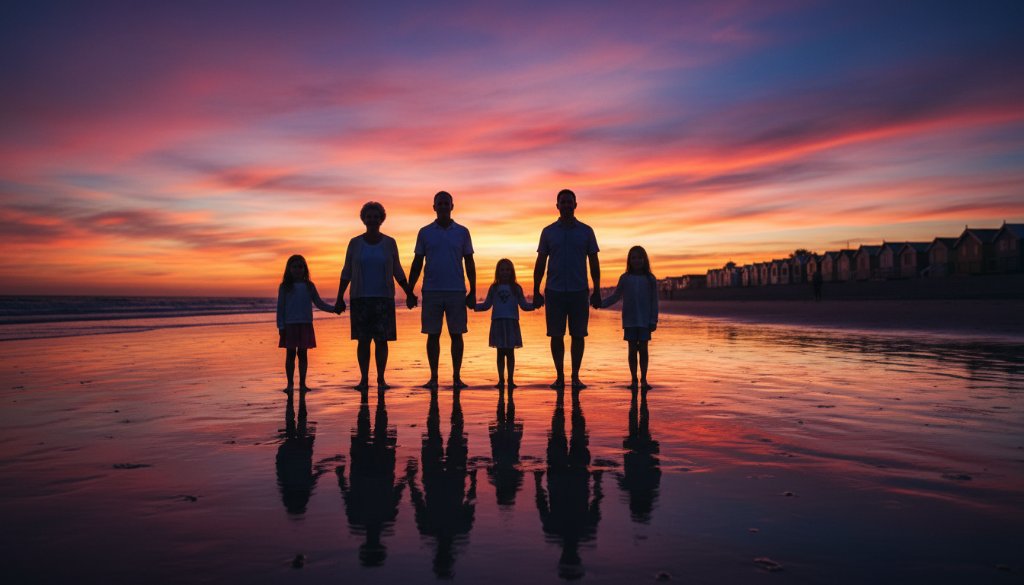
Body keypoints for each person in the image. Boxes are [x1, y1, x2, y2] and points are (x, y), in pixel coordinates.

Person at [336, 201, 415, 391]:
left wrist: (409, 292)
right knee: (363, 341)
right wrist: (339, 297)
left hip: (384, 298)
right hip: (360, 298)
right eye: (369, 217)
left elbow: (397, 270)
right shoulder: (355, 243)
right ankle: (364, 379)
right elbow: (346, 271)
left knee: (382, 341)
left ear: (381, 219)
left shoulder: (389, 243)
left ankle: (381, 379)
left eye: (375, 216)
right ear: (364, 219)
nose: (372, 220)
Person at [407, 191, 476, 390]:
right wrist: (410, 290)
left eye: (447, 203)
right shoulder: (425, 232)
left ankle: (456, 377)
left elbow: (469, 261)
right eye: (440, 203)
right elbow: (417, 262)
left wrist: (472, 290)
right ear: (434, 207)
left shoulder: (462, 232)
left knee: (457, 334)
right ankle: (434, 377)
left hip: (456, 291)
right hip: (431, 290)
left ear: (452, 206)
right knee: (432, 334)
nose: (444, 206)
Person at [533, 189, 600, 390]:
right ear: (557, 206)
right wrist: (536, 290)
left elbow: (594, 261)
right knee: (556, 335)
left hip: (579, 291)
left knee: (578, 335)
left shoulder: (586, 231)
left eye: (570, 202)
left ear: (575, 205)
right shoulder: (548, 232)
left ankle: (575, 377)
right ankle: (560, 377)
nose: (566, 205)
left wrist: (596, 289)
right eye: (563, 202)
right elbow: (540, 262)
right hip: (554, 291)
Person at [277, 254, 338, 392]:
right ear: (289, 269)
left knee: (303, 354)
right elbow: (280, 307)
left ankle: (303, 384)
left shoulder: (309, 286)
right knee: (290, 354)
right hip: (290, 324)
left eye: (300, 267)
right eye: (294, 267)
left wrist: (333, 309)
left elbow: (319, 303)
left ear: (305, 269)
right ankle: (290, 384)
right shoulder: (285, 286)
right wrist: (280, 326)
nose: (297, 269)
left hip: (305, 323)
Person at [601, 246, 659, 390]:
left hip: (645, 321)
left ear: (644, 259)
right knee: (632, 350)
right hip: (630, 320)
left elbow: (654, 301)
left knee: (644, 350)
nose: (637, 260)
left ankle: (644, 380)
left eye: (640, 257)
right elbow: (616, 296)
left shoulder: (650, 279)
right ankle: (634, 380)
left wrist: (653, 320)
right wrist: (601, 304)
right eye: (633, 258)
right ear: (629, 260)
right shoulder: (625, 278)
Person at [474, 258, 534, 389]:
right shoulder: (494, 288)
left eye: (507, 270)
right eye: (502, 270)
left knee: (510, 353)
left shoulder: (516, 288)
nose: (505, 272)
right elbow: (486, 305)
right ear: (498, 272)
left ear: (512, 272)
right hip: (498, 323)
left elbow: (524, 305)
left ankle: (510, 380)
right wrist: (474, 306)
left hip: (511, 323)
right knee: (500, 353)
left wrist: (534, 305)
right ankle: (501, 380)